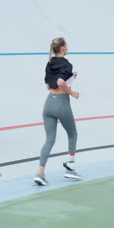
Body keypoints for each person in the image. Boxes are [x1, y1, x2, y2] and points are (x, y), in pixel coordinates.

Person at [34, 37, 81, 186]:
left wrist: (70, 79)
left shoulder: (50, 63)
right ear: (62, 48)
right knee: (72, 134)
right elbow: (61, 83)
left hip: (48, 104)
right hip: (61, 105)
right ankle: (70, 169)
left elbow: (50, 86)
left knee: (49, 140)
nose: (67, 47)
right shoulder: (67, 64)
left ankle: (40, 173)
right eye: (66, 46)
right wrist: (72, 92)